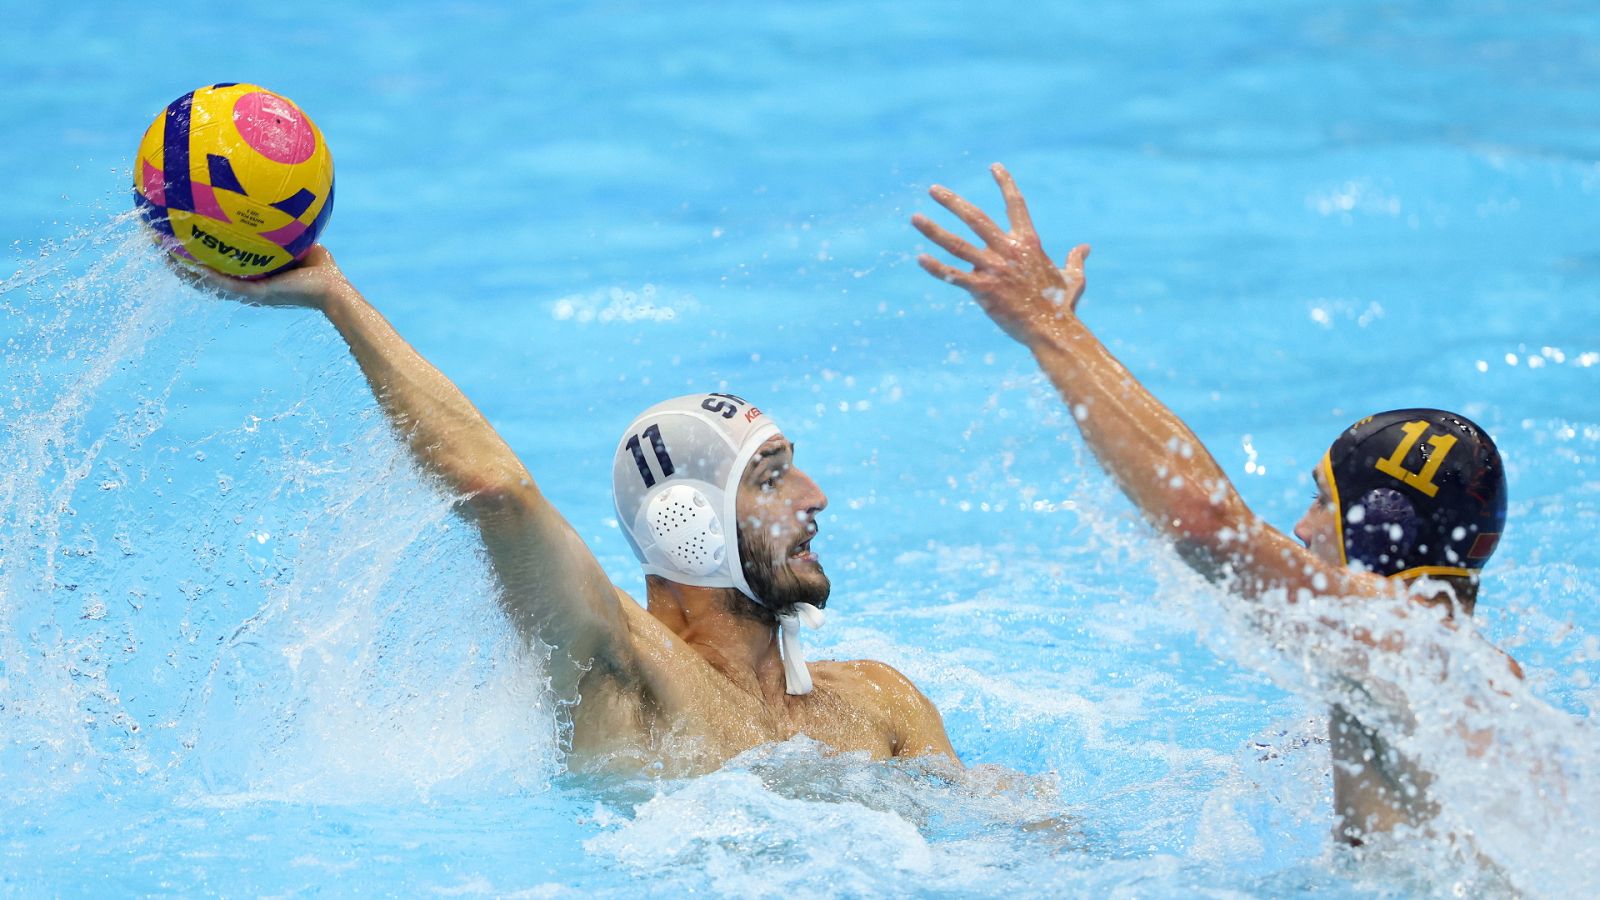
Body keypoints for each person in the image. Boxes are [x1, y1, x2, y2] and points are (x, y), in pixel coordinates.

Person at [912, 164, 1519, 845]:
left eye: (1324, 503)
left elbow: (1206, 522)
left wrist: (1049, 328)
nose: (1301, 525)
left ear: (1383, 526)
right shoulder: (1467, 672)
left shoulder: (1394, 641)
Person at [185, 247, 957, 775]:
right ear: (686, 524)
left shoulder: (879, 701)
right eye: (771, 478)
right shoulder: (620, 676)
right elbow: (495, 492)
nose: (814, 496)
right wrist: (335, 297)